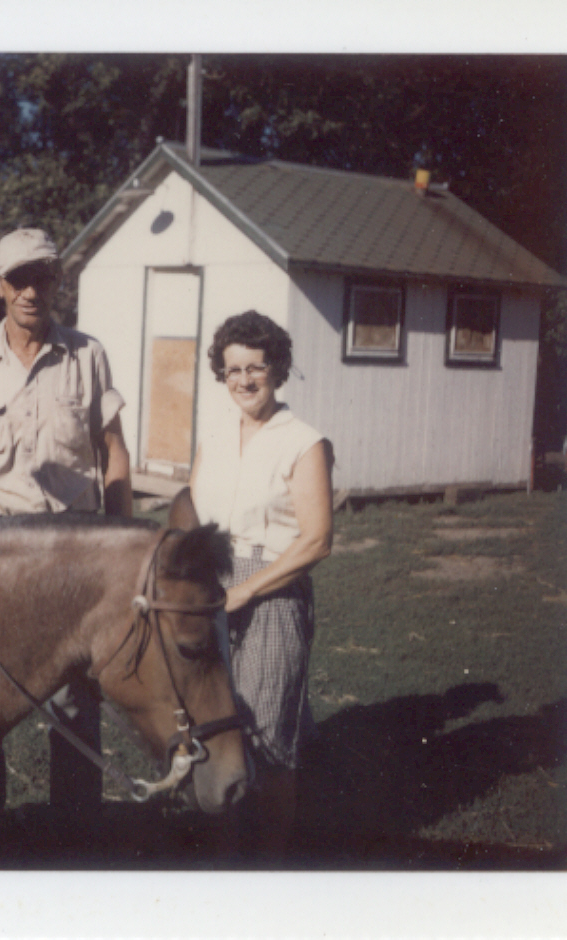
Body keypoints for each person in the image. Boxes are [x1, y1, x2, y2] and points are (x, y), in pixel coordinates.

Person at [0, 227, 133, 812]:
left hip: (71, 556)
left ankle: (73, 838)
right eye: (18, 279)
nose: (30, 290)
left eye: (42, 276)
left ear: (56, 281)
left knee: (73, 705)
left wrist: (125, 543)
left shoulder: (88, 355)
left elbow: (114, 450)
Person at [189, 310, 333, 857]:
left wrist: (247, 591)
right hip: (211, 584)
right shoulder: (217, 433)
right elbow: (194, 510)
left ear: (277, 368)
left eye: (256, 367)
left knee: (268, 735)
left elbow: (317, 540)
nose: (244, 380)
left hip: (272, 591)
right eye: (232, 370)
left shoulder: (303, 441)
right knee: (216, 723)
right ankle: (223, 851)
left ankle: (267, 863)